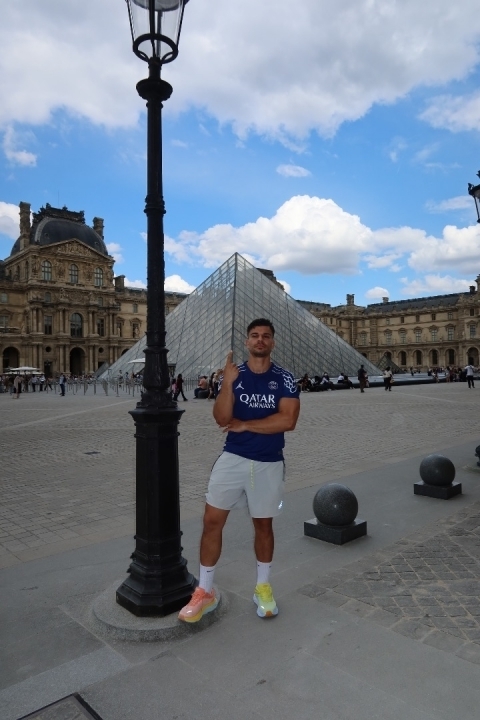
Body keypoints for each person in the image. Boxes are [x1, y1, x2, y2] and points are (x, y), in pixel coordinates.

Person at [178, 318, 300, 623]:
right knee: (211, 521)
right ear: (247, 342)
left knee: (263, 526)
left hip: (269, 461)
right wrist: (229, 383)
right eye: (254, 335)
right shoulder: (233, 376)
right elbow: (222, 418)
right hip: (232, 458)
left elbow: (288, 420)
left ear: (272, 342)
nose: (260, 340)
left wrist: (246, 424)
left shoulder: (285, 379)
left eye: (266, 336)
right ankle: (205, 590)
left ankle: (263, 587)